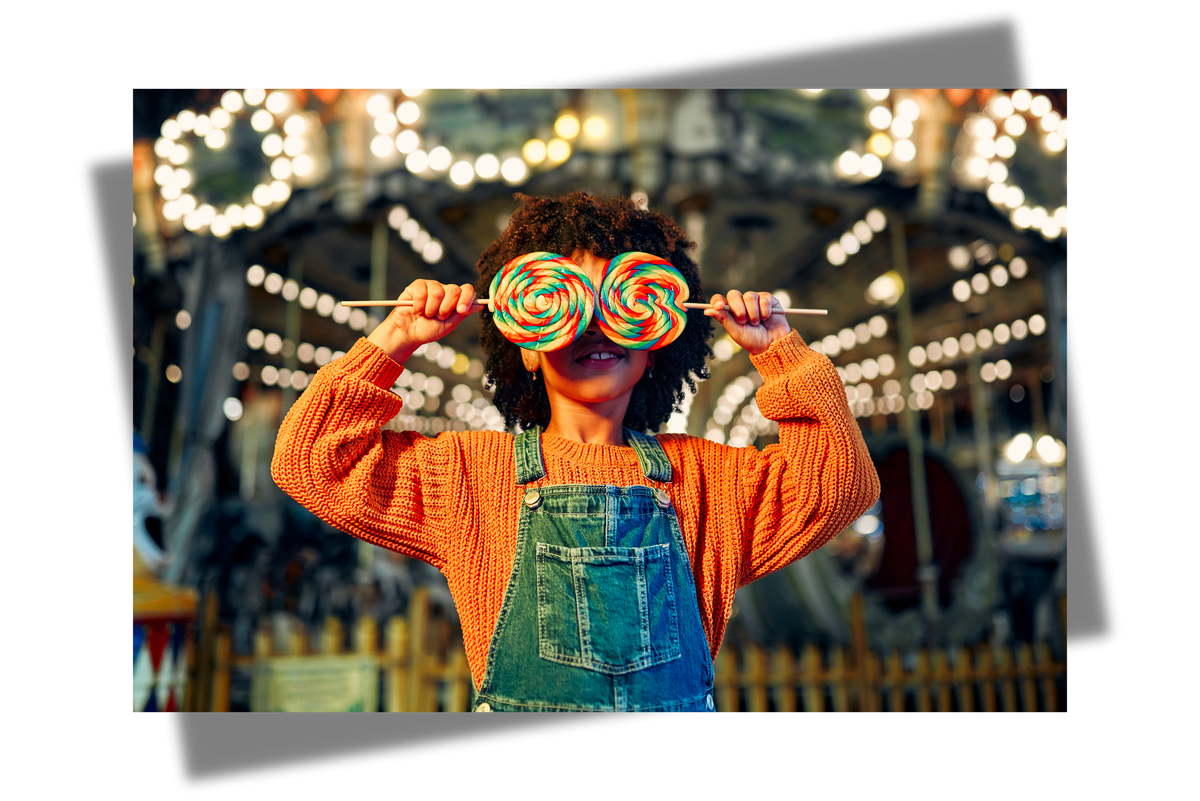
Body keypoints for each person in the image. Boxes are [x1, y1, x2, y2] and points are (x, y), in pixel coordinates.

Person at [272, 192, 880, 712]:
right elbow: (312, 460)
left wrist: (781, 351)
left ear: (656, 337)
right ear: (526, 346)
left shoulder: (705, 481)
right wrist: (395, 338)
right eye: (562, 304)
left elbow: (839, 486)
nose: (593, 324)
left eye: (619, 302)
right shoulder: (471, 477)